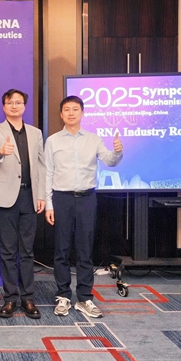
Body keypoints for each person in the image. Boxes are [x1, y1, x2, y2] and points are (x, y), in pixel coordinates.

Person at [45, 95, 123, 319]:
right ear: (61, 114)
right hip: (61, 198)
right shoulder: (52, 141)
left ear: (82, 113)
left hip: (87, 198)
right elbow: (48, 173)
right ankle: (63, 296)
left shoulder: (93, 139)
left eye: (75, 109)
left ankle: (84, 298)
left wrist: (117, 151)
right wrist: (49, 204)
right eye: (67, 109)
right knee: (61, 249)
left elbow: (110, 161)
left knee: (85, 249)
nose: (71, 113)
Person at [0, 89, 46, 319]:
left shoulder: (35, 133)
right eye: (10, 102)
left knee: (27, 251)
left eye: (18, 102)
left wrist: (41, 195)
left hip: (29, 196)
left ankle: (28, 298)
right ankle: (10, 298)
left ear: (24, 106)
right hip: (6, 198)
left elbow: (41, 165)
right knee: (8, 251)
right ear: (4, 106)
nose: (14, 106)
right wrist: (1, 151)